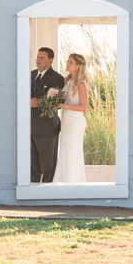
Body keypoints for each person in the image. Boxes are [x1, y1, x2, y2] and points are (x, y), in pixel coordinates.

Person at [30, 46, 65, 182]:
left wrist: (37, 103)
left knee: (48, 165)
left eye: (42, 57)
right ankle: (32, 191)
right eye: (37, 57)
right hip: (30, 127)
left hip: (46, 128)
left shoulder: (57, 78)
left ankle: (48, 192)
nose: (38, 60)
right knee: (33, 164)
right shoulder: (31, 75)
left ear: (50, 61)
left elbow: (57, 102)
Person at [53, 53, 89, 183]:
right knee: (65, 150)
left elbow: (83, 107)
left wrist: (63, 105)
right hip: (66, 120)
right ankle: (63, 180)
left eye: (71, 62)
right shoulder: (67, 81)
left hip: (75, 121)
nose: (67, 64)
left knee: (73, 150)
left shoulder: (81, 84)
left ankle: (74, 181)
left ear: (78, 67)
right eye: (68, 61)